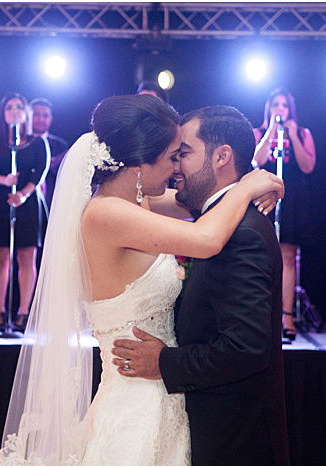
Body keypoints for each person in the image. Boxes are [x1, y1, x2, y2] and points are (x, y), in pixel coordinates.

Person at [0, 94, 283, 465]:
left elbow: (203, 198)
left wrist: (256, 182)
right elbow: (207, 238)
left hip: (166, 392)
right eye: (170, 157)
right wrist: (248, 186)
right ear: (138, 165)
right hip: (136, 398)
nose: (175, 168)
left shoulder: (136, 203)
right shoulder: (107, 215)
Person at [111, 105, 289, 465]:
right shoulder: (217, 218)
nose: (176, 166)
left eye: (184, 154)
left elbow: (246, 349)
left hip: (233, 438)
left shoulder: (240, 234)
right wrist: (252, 184)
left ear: (222, 156)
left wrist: (165, 362)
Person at [0, 93, 50, 333]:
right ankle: (0, 312)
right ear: (3, 113)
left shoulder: (37, 141)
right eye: (9, 107)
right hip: (2, 201)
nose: (14, 111)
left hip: (28, 202)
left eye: (19, 107)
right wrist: (4, 180)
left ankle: (23, 313)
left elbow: (39, 172)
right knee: (0, 257)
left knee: (26, 258)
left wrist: (22, 193)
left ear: (26, 112)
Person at [253, 88, 316, 342]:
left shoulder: (302, 133)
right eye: (275, 104)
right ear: (268, 108)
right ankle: (263, 317)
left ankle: (287, 316)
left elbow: (308, 166)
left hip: (293, 197)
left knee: (288, 257)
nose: (280, 109)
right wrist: (270, 132)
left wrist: (292, 135)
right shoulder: (259, 133)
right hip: (264, 195)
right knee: (263, 256)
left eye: (284, 105)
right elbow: (256, 161)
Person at [29, 97, 69, 210]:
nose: (41, 119)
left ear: (51, 118)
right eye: (36, 114)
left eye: (45, 115)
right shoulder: (19, 143)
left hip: (51, 204)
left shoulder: (61, 146)